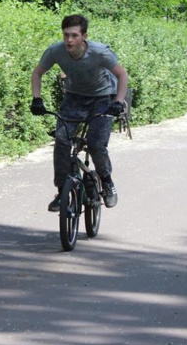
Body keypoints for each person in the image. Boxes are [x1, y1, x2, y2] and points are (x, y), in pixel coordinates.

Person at [30, 14, 129, 211]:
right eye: (66, 35)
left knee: (96, 144)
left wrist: (118, 102)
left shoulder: (100, 53)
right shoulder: (55, 51)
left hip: (102, 98)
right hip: (74, 97)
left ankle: (107, 182)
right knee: (62, 140)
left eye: (74, 35)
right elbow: (37, 73)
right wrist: (36, 98)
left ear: (84, 36)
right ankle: (61, 192)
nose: (69, 40)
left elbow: (122, 74)